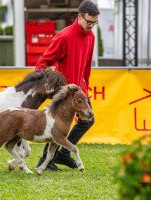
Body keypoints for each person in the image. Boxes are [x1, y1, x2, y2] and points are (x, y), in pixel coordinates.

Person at [35, 0, 100, 171]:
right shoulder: (64, 36)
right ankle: (46, 160)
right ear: (79, 17)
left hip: (80, 90)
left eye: (95, 22)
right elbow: (43, 62)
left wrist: (86, 88)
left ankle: (62, 154)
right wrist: (44, 83)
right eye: (89, 21)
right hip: (64, 91)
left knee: (88, 120)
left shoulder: (91, 37)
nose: (91, 25)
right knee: (59, 125)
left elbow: (87, 66)